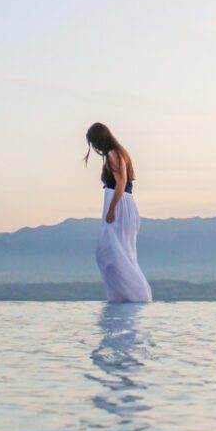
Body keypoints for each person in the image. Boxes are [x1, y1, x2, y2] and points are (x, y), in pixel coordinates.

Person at [84, 122, 152, 304]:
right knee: (119, 253)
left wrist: (112, 208)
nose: (95, 147)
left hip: (119, 204)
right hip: (121, 203)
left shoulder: (114, 154)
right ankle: (125, 297)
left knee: (109, 252)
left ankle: (136, 296)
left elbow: (121, 183)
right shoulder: (117, 153)